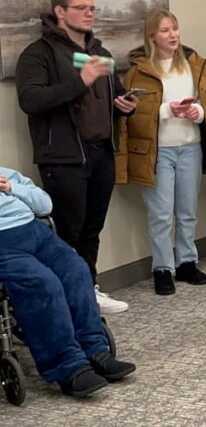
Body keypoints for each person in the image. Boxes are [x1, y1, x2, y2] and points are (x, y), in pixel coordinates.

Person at [15, 0, 137, 315]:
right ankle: (69, 298)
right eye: (81, 8)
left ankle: (89, 289)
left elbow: (113, 95)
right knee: (68, 232)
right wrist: (79, 82)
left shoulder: (101, 52)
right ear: (60, 12)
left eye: (92, 8)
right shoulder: (39, 54)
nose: (89, 13)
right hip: (64, 157)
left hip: (101, 153)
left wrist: (124, 105)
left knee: (92, 230)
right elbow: (31, 99)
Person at [117, 10, 206, 294]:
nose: (173, 35)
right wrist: (169, 110)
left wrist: (197, 113)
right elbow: (135, 114)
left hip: (190, 146)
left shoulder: (195, 66)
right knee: (160, 214)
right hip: (157, 152)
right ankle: (162, 268)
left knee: (187, 211)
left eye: (175, 29)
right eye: (165, 30)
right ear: (152, 37)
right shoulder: (140, 71)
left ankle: (186, 262)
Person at [0, 166, 136, 397]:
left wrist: (12, 188)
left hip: (36, 232)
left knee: (76, 269)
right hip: (5, 246)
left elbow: (45, 205)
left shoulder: (7, 173)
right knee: (44, 283)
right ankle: (68, 367)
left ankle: (96, 350)